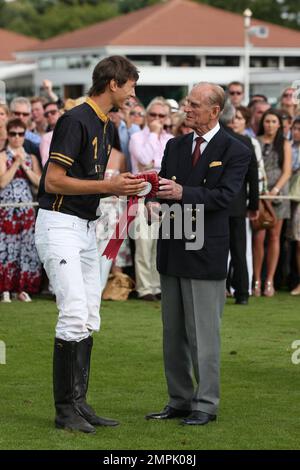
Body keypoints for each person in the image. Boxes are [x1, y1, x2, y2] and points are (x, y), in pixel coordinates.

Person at [34, 55, 147, 434]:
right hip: (60, 224)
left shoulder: (106, 124)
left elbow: (94, 178)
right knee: (72, 314)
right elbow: (53, 181)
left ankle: (79, 404)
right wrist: (110, 186)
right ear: (113, 83)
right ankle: (65, 409)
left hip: (85, 227)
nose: (133, 91)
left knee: (89, 315)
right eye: (130, 84)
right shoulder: (75, 119)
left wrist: (122, 182)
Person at [145, 82, 251, 426]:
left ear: (214, 111)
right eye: (186, 104)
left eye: (193, 105)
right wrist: (149, 199)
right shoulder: (175, 146)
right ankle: (179, 399)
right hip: (172, 248)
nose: (186, 109)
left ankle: (206, 403)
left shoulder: (236, 150)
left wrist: (182, 192)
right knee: (172, 334)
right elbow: (162, 188)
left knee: (203, 335)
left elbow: (226, 197)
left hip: (206, 254)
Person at [0, 118, 42, 303]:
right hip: (7, 209)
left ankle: (23, 288)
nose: (17, 138)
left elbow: (39, 183)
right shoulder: (2, 156)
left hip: (26, 208)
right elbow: (2, 182)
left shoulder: (31, 157)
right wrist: (15, 163)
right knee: (7, 247)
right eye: (13, 134)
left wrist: (24, 165)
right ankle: (6, 289)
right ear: (7, 135)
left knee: (26, 248)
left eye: (20, 134)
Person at [253, 109, 292, 297]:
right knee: (258, 238)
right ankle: (257, 281)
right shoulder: (256, 141)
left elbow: (287, 171)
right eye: (267, 121)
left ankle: (269, 280)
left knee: (275, 238)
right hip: (260, 194)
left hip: (278, 195)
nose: (270, 125)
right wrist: (261, 190)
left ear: (279, 124)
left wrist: (275, 190)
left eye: (273, 121)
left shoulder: (284, 143)